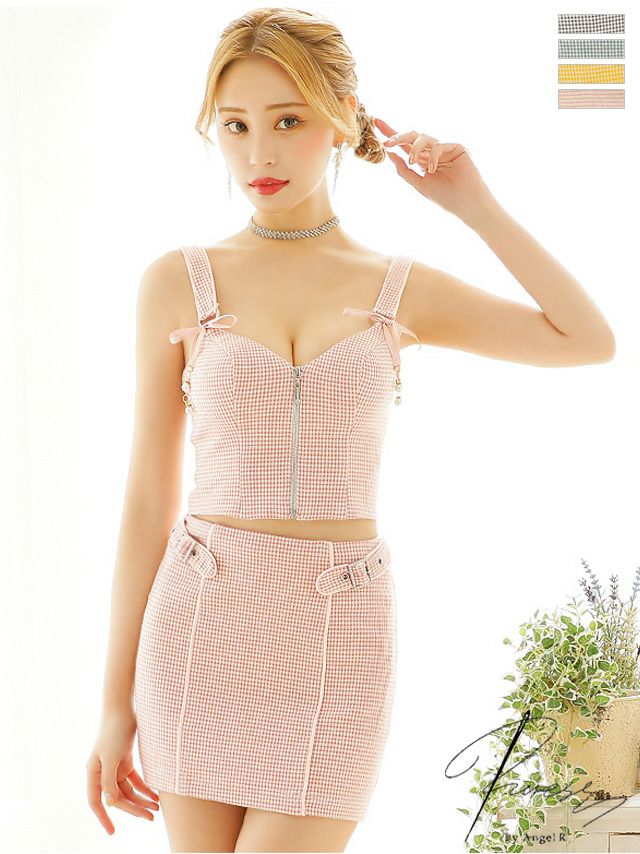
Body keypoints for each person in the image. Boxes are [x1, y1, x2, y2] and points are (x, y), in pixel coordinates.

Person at [86, 7, 616, 853]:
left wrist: (474, 207)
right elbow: (148, 500)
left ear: (342, 118)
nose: (258, 155)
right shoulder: (177, 282)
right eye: (235, 126)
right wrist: (114, 704)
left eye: (287, 121)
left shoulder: (397, 288)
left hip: (339, 632)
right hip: (199, 629)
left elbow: (586, 340)